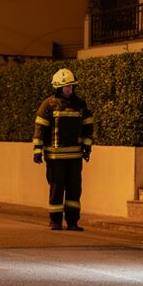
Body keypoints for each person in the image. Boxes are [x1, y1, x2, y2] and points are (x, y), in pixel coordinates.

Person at [33, 68, 94, 231]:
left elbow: (88, 126)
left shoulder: (80, 105)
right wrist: (37, 150)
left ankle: (73, 221)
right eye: (66, 87)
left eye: (71, 87)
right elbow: (40, 129)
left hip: (74, 156)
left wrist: (87, 146)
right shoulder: (49, 104)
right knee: (56, 189)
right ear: (58, 88)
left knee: (74, 190)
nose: (69, 90)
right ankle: (55, 221)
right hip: (54, 157)